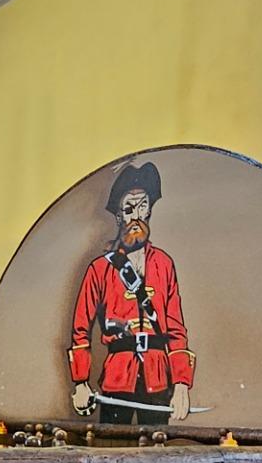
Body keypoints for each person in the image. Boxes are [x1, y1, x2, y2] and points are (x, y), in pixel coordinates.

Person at [66, 161, 195, 424]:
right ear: (118, 216)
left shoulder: (164, 264)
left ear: (150, 210)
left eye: (143, 205)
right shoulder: (100, 269)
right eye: (129, 208)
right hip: (117, 378)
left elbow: (176, 329)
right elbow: (80, 329)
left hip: (158, 378)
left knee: (157, 448)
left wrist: (181, 384)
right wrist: (80, 382)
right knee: (114, 447)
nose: (136, 216)